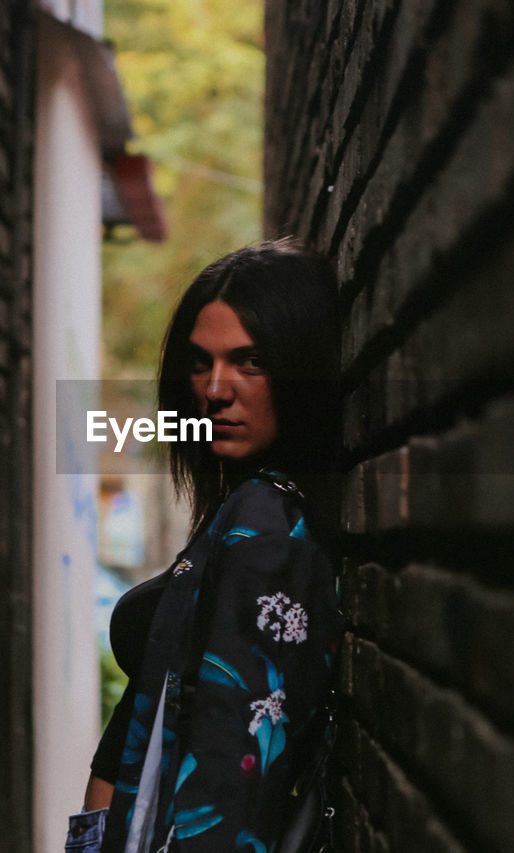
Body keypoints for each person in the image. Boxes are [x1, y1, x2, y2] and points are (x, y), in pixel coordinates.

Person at [69, 239, 342, 852]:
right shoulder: (239, 509)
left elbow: (227, 784)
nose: (215, 389)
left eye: (249, 362)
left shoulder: (265, 529)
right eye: (200, 363)